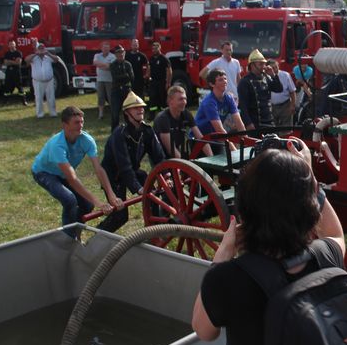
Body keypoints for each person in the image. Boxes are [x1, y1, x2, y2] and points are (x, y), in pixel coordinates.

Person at [191, 139, 346, 345]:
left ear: (246, 209)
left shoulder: (229, 279)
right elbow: (336, 234)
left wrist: (223, 253)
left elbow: (202, 329)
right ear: (308, 210)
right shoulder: (324, 256)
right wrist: (310, 180)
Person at [32, 106, 121, 237]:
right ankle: (68, 238)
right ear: (65, 125)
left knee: (87, 205)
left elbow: (98, 169)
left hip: (63, 174)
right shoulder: (57, 145)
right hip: (44, 173)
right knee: (69, 200)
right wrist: (99, 203)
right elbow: (72, 179)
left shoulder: (87, 140)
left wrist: (111, 195)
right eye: (76, 122)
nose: (80, 125)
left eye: (82, 122)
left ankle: (75, 232)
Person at [98, 92, 165, 233]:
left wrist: (166, 176)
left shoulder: (147, 130)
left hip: (132, 171)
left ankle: (155, 232)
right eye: (136, 108)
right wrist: (138, 188)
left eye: (141, 107)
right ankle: (98, 236)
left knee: (152, 193)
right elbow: (124, 167)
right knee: (120, 216)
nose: (140, 110)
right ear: (127, 112)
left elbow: (159, 157)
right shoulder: (119, 134)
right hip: (113, 176)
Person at [154, 85, 212, 158]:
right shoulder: (163, 119)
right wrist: (185, 166)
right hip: (161, 156)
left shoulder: (186, 114)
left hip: (176, 152)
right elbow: (170, 149)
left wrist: (211, 158)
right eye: (180, 99)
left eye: (185, 99)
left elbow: (201, 139)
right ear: (170, 101)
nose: (184, 102)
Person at [195, 69, 246, 152]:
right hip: (200, 139)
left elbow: (239, 123)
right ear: (211, 84)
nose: (224, 81)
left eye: (225, 79)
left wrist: (247, 143)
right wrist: (235, 152)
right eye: (220, 80)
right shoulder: (209, 102)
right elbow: (219, 129)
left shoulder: (229, 98)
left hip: (215, 137)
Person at [237, 49, 283, 130]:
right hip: (255, 123)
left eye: (264, 64)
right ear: (252, 65)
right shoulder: (245, 82)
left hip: (269, 121)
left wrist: (273, 75)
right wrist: (248, 123)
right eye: (260, 64)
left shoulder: (266, 78)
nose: (263, 67)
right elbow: (243, 105)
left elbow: (279, 89)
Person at [200, 41, 241, 105]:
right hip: (221, 96)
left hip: (234, 96)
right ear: (222, 50)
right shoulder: (216, 62)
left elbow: (238, 79)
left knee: (234, 114)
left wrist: (240, 93)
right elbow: (202, 74)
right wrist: (212, 83)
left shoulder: (236, 62)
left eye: (230, 50)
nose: (229, 52)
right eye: (226, 50)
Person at [26, 43, 59, 118]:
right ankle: (40, 114)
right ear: (37, 49)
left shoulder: (48, 57)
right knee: (39, 98)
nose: (41, 50)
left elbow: (56, 59)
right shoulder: (34, 58)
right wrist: (35, 54)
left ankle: (53, 113)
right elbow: (26, 60)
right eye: (40, 48)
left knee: (51, 97)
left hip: (49, 80)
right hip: (38, 81)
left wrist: (48, 53)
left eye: (42, 48)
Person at [109, 44, 134, 131]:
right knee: (115, 114)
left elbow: (131, 77)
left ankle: (130, 131)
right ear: (115, 54)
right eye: (118, 52)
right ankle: (114, 133)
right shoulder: (113, 65)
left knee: (128, 113)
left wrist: (123, 76)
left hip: (126, 91)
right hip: (116, 91)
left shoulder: (128, 64)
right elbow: (115, 78)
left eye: (122, 52)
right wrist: (125, 76)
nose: (121, 54)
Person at [267, 59, 296, 129]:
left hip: (285, 106)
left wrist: (293, 105)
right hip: (272, 107)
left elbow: (292, 91)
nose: (275, 69)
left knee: (286, 129)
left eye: (276, 67)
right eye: (273, 68)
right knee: (273, 129)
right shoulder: (266, 77)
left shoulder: (285, 75)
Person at [147, 41, 173, 117]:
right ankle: (151, 116)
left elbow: (169, 71)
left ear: (159, 48)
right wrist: (147, 76)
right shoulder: (151, 58)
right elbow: (149, 68)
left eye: (156, 48)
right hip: (153, 82)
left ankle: (165, 115)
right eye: (153, 48)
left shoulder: (164, 58)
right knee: (152, 98)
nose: (154, 50)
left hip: (162, 82)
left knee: (163, 99)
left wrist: (168, 82)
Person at [93, 41, 115, 119]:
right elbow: (95, 63)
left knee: (110, 97)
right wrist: (105, 65)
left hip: (109, 80)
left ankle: (113, 113)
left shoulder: (113, 56)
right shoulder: (97, 55)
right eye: (104, 48)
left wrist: (101, 65)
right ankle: (101, 114)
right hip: (100, 80)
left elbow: (110, 67)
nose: (105, 49)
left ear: (109, 48)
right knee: (100, 97)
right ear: (101, 48)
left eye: (107, 48)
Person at [3, 40, 28, 105]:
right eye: (10, 44)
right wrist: (14, 61)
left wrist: (10, 61)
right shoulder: (7, 53)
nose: (11, 46)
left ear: (15, 45)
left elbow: (18, 62)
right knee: (7, 87)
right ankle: (6, 101)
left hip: (16, 71)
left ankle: (24, 101)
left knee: (19, 86)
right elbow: (5, 63)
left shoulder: (18, 53)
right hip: (9, 72)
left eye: (13, 44)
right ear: (8, 45)